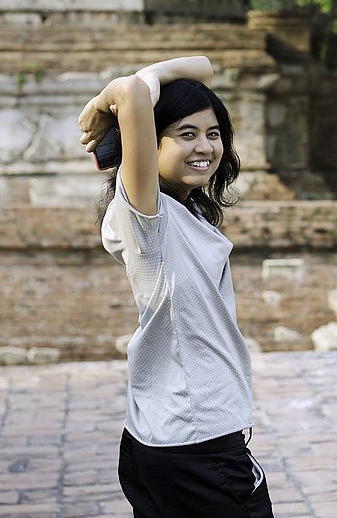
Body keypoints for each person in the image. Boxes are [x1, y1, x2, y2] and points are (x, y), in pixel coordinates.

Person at [78, 56, 275, 518]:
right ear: (148, 141)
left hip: (163, 434)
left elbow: (203, 67)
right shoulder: (149, 218)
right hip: (198, 445)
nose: (205, 146)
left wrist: (144, 84)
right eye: (185, 134)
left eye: (212, 133)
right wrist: (107, 100)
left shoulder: (181, 210)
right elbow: (128, 94)